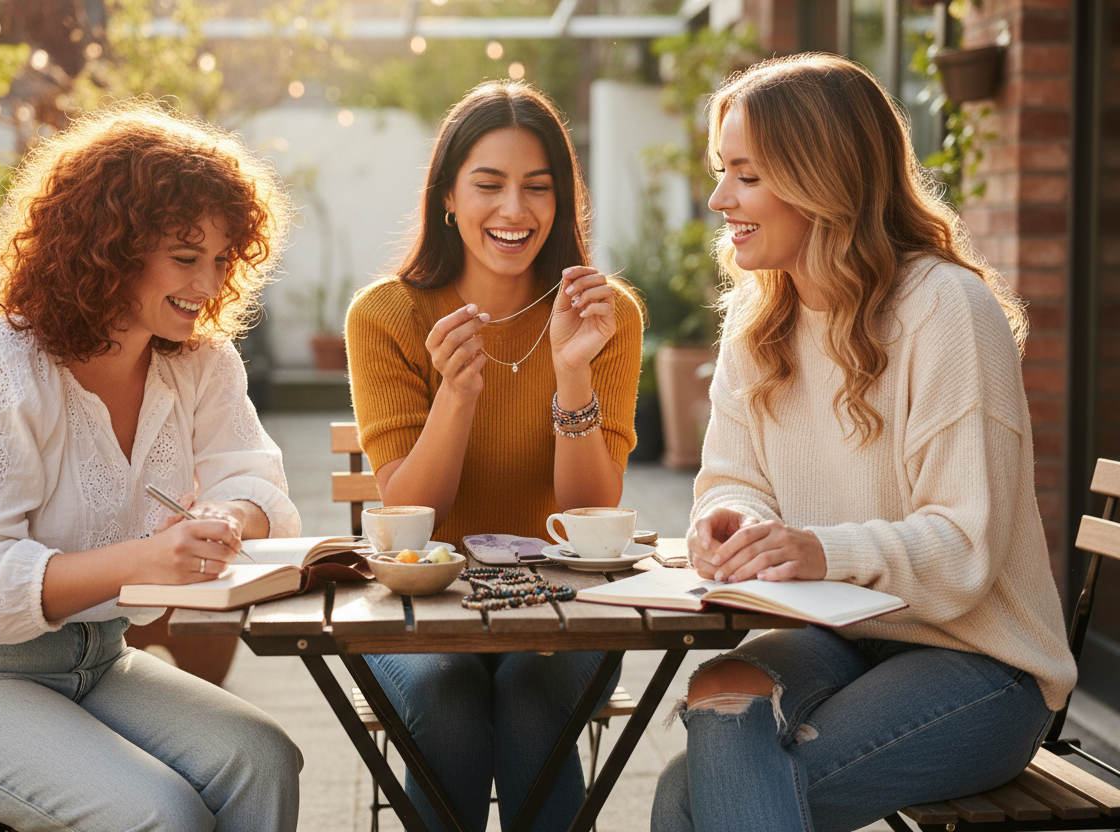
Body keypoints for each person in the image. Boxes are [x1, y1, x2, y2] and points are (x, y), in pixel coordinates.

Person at [651, 54, 1076, 832]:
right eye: (723, 173)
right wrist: (733, 522)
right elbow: (730, 480)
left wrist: (816, 551)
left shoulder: (948, 311)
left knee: (691, 797)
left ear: (821, 179)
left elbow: (963, 549)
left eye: (744, 176)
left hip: (981, 664)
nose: (718, 200)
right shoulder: (759, 323)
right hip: (844, 638)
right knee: (720, 692)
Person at [0, 100, 304, 832]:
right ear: (111, 247)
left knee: (263, 759)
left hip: (98, 658)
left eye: (223, 260)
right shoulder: (1, 363)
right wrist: (144, 559)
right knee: (156, 815)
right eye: (186, 256)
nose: (208, 285)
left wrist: (228, 517)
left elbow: (252, 476)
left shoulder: (200, 361)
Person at [345, 80, 642, 831]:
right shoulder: (386, 316)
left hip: (559, 607)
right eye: (489, 184)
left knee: (531, 694)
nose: (515, 210)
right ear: (448, 196)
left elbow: (587, 516)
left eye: (538, 188)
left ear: (561, 201)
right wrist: (457, 393)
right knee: (448, 697)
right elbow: (415, 522)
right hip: (424, 608)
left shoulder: (606, 315)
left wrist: (571, 371)